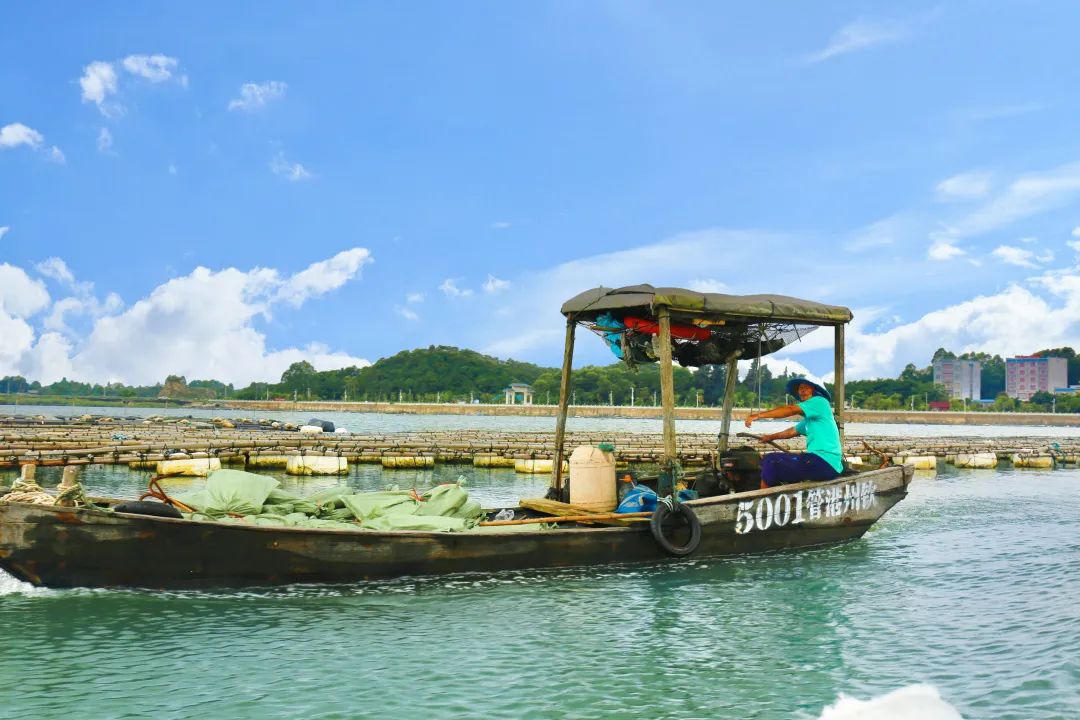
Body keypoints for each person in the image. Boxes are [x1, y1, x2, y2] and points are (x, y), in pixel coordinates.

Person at [743, 377, 843, 487]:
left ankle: (763, 499)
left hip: (824, 462)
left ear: (815, 391)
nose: (802, 390)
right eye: (800, 388)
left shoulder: (820, 402)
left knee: (770, 460)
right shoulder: (810, 420)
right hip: (825, 464)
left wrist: (758, 415)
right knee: (773, 465)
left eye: (806, 388)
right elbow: (791, 432)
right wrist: (770, 437)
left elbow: (791, 410)